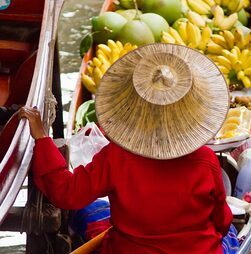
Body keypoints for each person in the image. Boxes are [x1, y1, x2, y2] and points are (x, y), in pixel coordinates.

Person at [19, 43, 234, 253]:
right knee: (232, 231)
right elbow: (222, 222)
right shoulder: (206, 159)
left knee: (90, 213)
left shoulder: (117, 156)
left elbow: (66, 192)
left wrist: (42, 138)